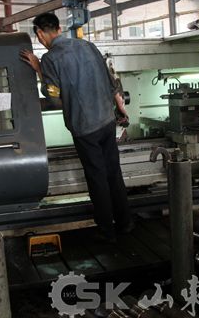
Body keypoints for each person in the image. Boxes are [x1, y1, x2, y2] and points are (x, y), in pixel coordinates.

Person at [20, 12, 133, 242]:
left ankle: (107, 231)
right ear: (59, 28)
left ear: (40, 34)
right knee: (113, 172)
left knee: (97, 177)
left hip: (85, 128)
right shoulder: (87, 45)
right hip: (107, 120)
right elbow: (110, 79)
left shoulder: (51, 59)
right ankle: (126, 224)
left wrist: (39, 69)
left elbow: (53, 97)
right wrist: (119, 104)